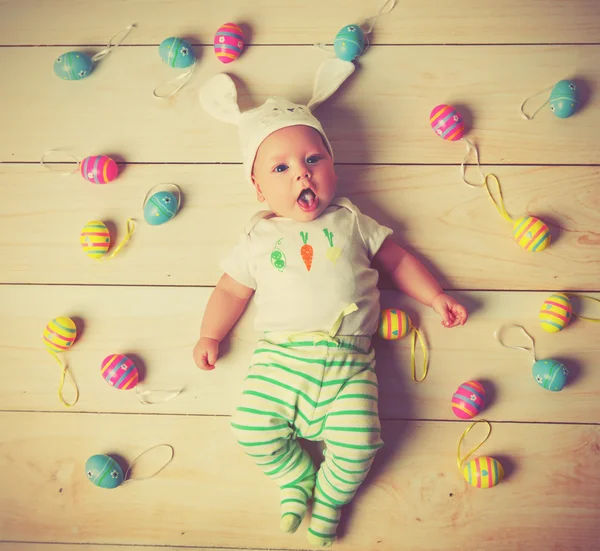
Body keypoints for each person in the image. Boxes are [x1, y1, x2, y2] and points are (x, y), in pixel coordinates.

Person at [194, 63, 468, 547]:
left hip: (350, 366)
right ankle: (294, 478)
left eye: (313, 159)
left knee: (360, 444)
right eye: (280, 167)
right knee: (249, 429)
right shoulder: (258, 236)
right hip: (280, 361)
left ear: (333, 167)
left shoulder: (352, 221)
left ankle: (329, 500)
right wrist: (210, 334)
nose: (301, 171)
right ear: (258, 188)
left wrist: (435, 294)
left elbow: (398, 260)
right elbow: (232, 290)